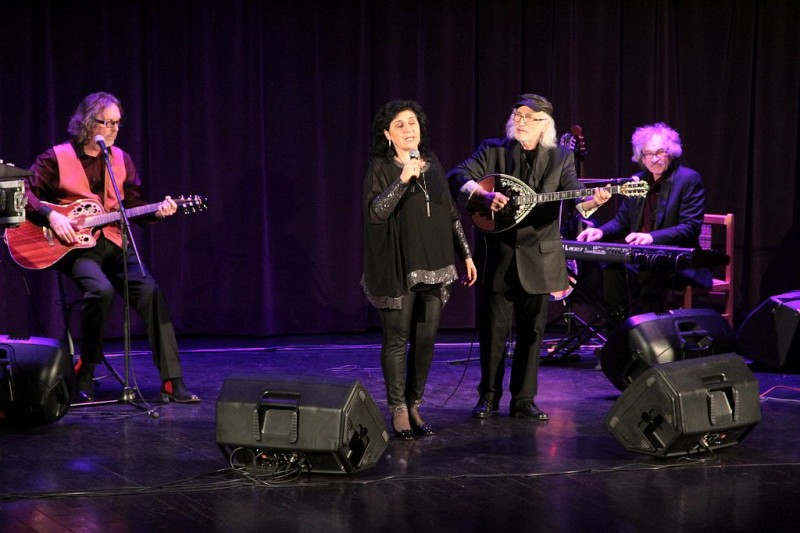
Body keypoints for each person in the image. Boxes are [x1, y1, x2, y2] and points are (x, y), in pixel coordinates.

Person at [23, 91, 200, 404]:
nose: (114, 129)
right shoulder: (56, 157)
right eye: (107, 122)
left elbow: (132, 206)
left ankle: (172, 380)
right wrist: (52, 215)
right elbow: (23, 192)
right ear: (88, 122)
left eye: (118, 123)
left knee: (150, 291)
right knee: (100, 291)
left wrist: (157, 212)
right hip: (74, 247)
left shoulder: (121, 159)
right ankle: (85, 370)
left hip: (114, 243)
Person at [447, 94, 610, 421]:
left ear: (543, 124)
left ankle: (523, 399)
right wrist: (483, 194)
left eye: (528, 117)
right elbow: (457, 175)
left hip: (540, 256)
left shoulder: (561, 156)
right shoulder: (493, 150)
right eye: (517, 115)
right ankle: (488, 397)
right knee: (493, 331)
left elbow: (577, 199)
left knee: (533, 333)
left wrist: (595, 201)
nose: (520, 121)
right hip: (498, 255)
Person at [362, 100, 477, 440]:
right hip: (399, 266)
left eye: (412, 122)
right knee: (397, 338)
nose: (408, 129)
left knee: (425, 340)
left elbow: (451, 213)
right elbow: (376, 212)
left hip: (436, 263)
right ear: (388, 134)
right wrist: (402, 179)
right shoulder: (381, 168)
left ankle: (414, 404)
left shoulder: (433, 163)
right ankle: (397, 408)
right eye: (399, 125)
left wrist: (466, 254)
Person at [576, 122, 710, 318]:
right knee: (612, 269)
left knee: (647, 271)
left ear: (671, 153)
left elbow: (690, 227)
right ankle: (619, 329)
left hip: (677, 261)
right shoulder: (637, 181)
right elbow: (622, 221)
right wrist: (601, 231)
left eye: (660, 152)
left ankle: (651, 329)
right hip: (641, 257)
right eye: (648, 154)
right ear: (641, 157)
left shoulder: (688, 179)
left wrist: (652, 237)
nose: (654, 159)